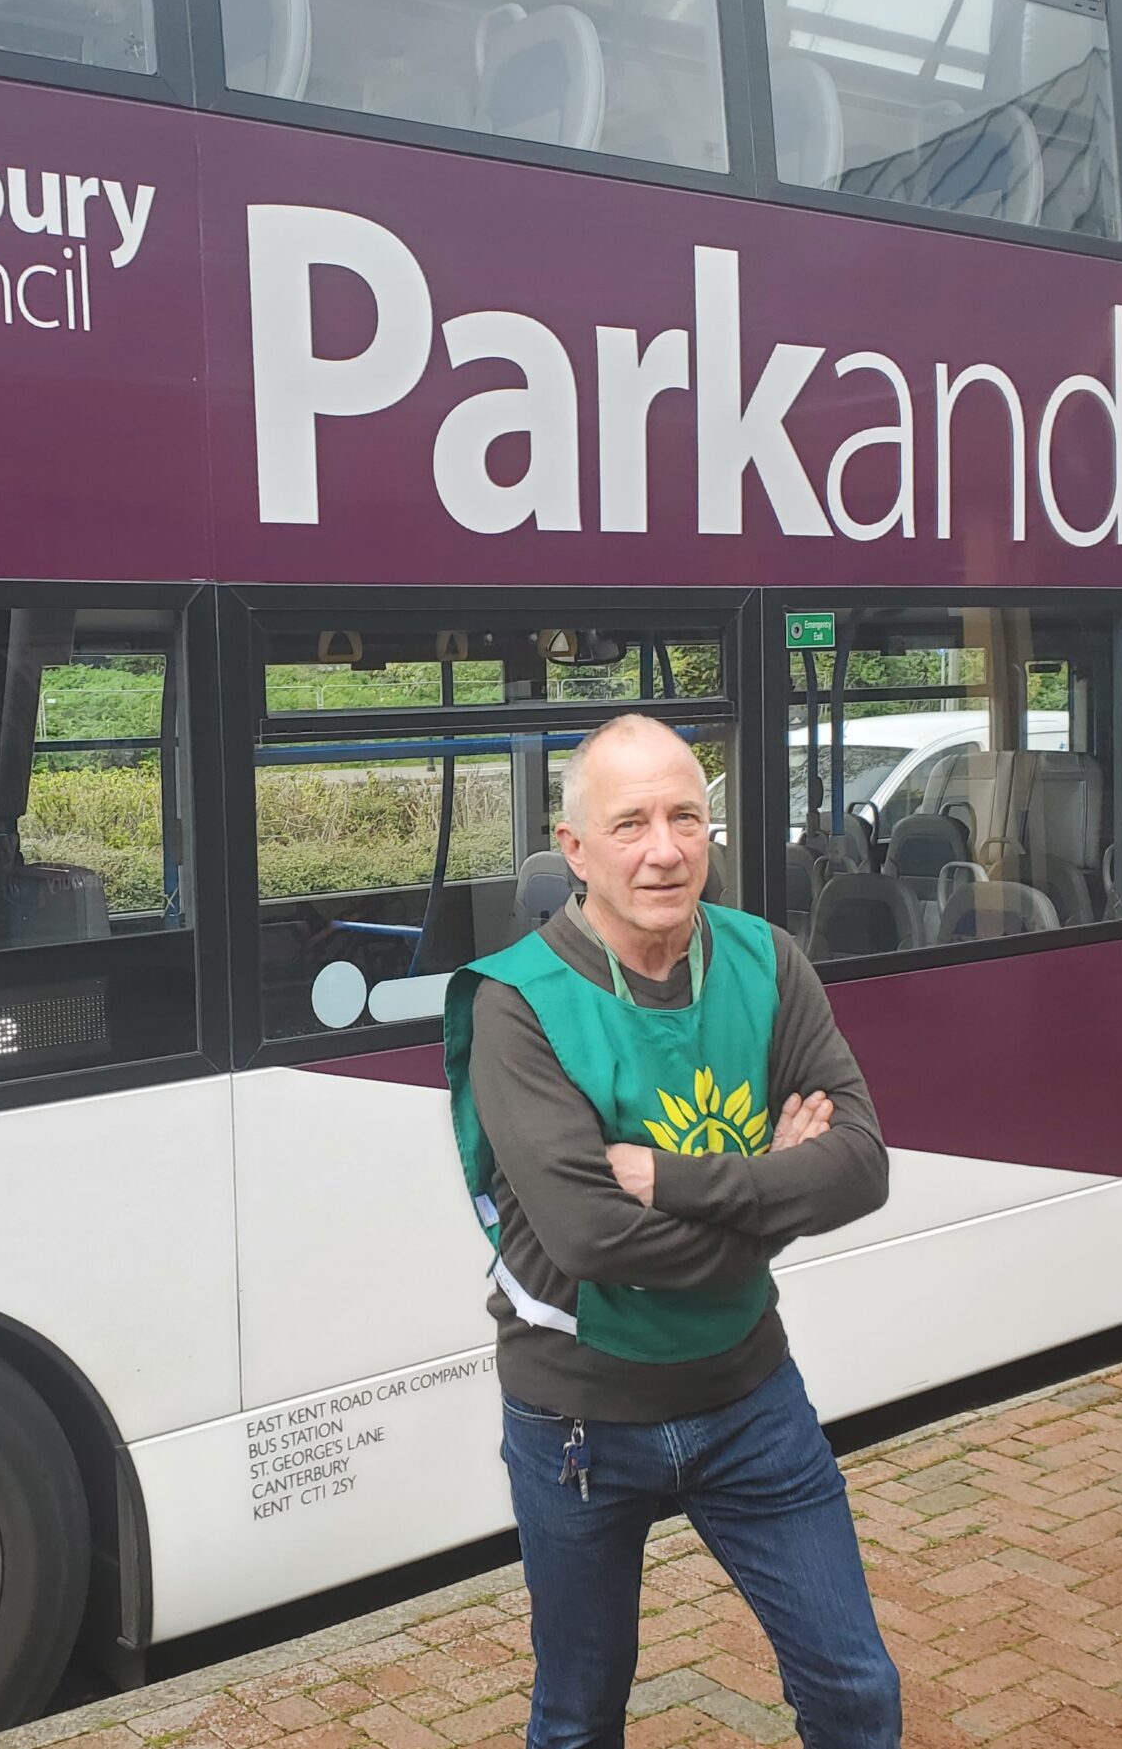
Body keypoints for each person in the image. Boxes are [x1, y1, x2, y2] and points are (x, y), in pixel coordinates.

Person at [442, 715, 900, 1749]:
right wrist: (776, 1190)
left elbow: (862, 1166)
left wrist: (674, 1177)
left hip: (749, 1399)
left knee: (855, 1693)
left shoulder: (765, 961)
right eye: (631, 822)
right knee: (576, 1717)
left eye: (686, 816)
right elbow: (590, 1239)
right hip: (579, 1427)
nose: (664, 848)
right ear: (574, 850)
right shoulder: (517, 1006)